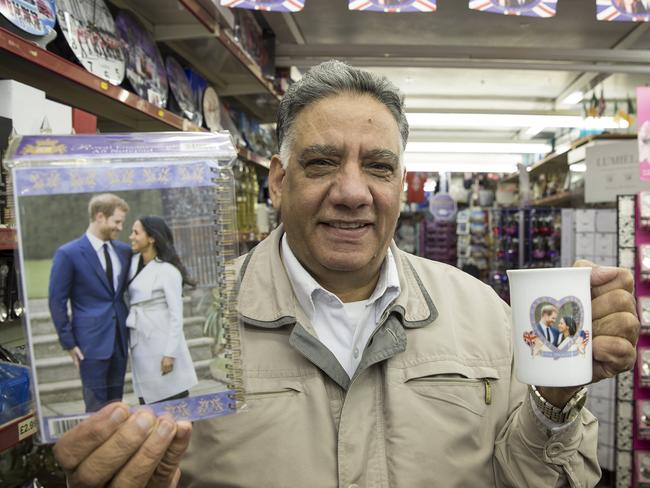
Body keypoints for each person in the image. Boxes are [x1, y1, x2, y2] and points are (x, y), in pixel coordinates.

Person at [52, 61, 640, 487]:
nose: (352, 192)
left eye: (378, 167)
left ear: (399, 185)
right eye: (323, 163)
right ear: (278, 182)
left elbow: (533, 478)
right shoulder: (193, 318)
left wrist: (557, 397)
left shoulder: (485, 314)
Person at [48, 193, 131, 413]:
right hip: (89, 344)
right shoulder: (68, 254)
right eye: (117, 221)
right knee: (96, 411)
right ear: (100, 216)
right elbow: (57, 301)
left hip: (120, 339)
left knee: (117, 406)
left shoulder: (124, 252)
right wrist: (68, 343)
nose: (121, 228)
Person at [126, 216, 198, 405]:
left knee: (173, 405)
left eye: (136, 232)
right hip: (140, 342)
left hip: (162, 344)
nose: (130, 237)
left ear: (151, 238)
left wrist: (170, 353)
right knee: (148, 404)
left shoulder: (168, 271)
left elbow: (176, 316)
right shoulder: (132, 265)